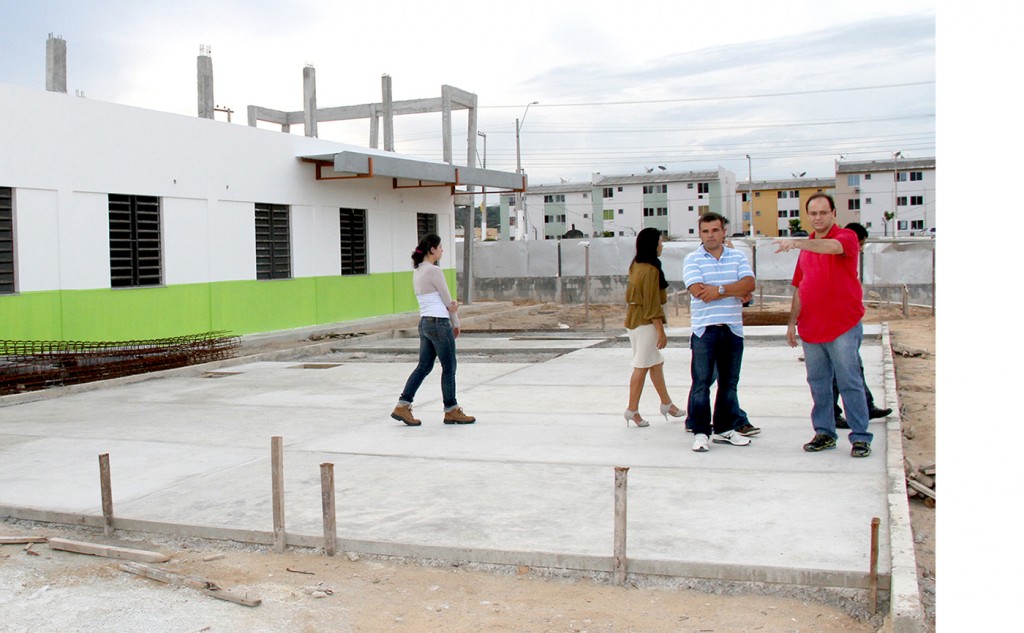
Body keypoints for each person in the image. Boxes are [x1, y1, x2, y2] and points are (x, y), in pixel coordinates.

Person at [775, 193, 872, 457]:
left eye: (823, 212)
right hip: (811, 327)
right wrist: (791, 322)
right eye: (813, 213)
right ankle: (824, 432)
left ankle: (860, 436)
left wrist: (796, 243)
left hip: (842, 325)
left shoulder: (846, 238)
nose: (818, 218)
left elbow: (831, 247)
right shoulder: (807, 249)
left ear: (833, 213)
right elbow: (800, 286)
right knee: (818, 382)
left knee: (849, 380)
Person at [683, 213, 756, 452]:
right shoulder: (692, 259)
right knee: (701, 384)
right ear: (700, 234)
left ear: (724, 231)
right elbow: (698, 290)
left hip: (733, 330)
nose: (710, 235)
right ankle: (701, 431)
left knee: (729, 383)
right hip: (705, 332)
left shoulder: (738, 256)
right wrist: (732, 290)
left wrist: (720, 290)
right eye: (705, 231)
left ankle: (725, 428)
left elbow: (749, 285)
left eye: (715, 230)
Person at [391, 234, 475, 426]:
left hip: (425, 323)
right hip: (439, 322)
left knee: (424, 366)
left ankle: (403, 405)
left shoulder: (418, 270)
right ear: (432, 250)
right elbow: (448, 302)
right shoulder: (434, 271)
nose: (442, 250)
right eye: (440, 247)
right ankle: (451, 409)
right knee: (449, 367)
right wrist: (456, 322)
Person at [832, 222, 893, 428]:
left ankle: (865, 405)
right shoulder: (834, 256)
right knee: (840, 370)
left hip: (849, 320)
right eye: (860, 243)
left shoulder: (847, 259)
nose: (859, 249)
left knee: (853, 367)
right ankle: (833, 414)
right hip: (837, 323)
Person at [623, 228, 685, 427]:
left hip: (634, 320)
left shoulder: (636, 264)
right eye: (660, 241)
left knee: (655, 362)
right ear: (653, 244)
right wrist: (661, 330)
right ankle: (632, 410)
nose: (662, 245)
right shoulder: (651, 269)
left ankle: (667, 404)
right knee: (641, 365)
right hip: (645, 322)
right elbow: (651, 304)